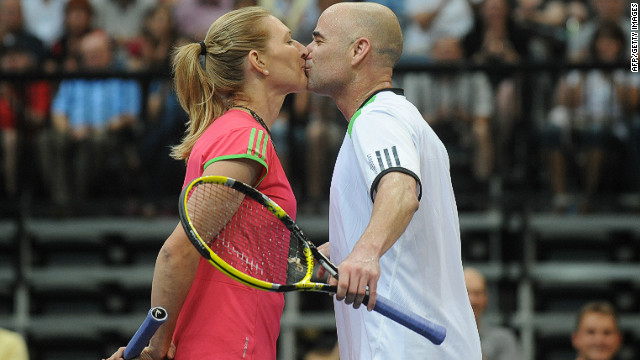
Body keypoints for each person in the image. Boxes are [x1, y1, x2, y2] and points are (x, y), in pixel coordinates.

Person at [104, 6, 308, 360]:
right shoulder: (246, 139)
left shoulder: (231, 132)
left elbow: (241, 249)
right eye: (289, 40)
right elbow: (178, 250)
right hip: (227, 345)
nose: (303, 49)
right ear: (258, 61)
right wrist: (158, 345)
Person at [305, 2, 481, 359]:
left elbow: (400, 191)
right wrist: (339, 250)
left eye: (318, 40)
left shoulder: (378, 116)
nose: (306, 52)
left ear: (359, 50)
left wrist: (365, 252)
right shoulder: (398, 118)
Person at [464, 267, 521, 360]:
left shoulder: (502, 340)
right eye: (467, 293)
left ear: (486, 298)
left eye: (478, 293)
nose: (473, 300)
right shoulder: (441, 339)